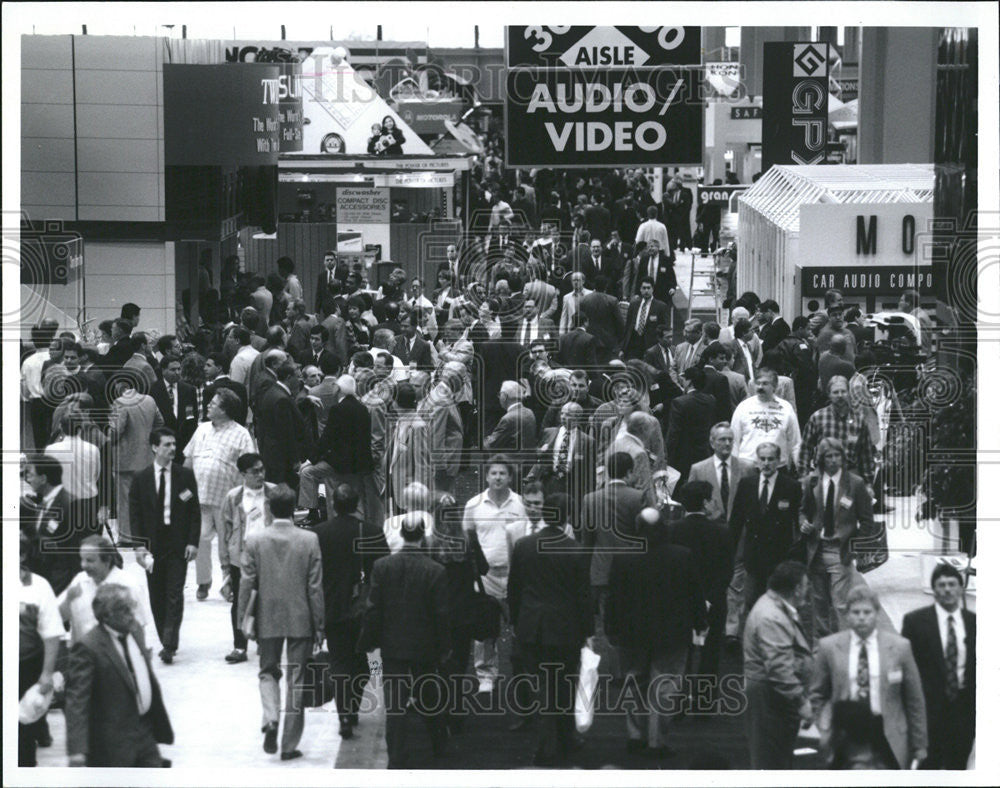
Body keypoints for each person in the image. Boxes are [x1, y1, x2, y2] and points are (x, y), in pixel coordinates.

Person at [606, 507, 705, 757]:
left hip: (632, 633)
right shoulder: (683, 555)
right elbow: (695, 594)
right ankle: (656, 739)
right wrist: (700, 622)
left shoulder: (623, 558)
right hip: (672, 633)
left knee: (634, 681)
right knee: (666, 684)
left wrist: (611, 628)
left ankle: (635, 734)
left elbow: (614, 598)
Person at [236, 483, 323, 760]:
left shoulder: (255, 541)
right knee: (297, 680)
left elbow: (247, 583)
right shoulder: (309, 540)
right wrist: (320, 625)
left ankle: (271, 717)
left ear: (269, 508)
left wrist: (243, 620)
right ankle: (288, 745)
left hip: (267, 615)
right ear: (294, 508)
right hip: (301, 617)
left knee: (267, 671)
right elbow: (315, 588)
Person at [357, 512, 451, 769]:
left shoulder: (383, 567)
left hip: (393, 644)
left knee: (395, 705)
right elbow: (441, 614)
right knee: (429, 694)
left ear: (402, 535)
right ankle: (438, 741)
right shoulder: (436, 571)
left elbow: (373, 608)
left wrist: (368, 641)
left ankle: (397, 758)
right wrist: (444, 647)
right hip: (425, 645)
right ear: (422, 536)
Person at [508, 493, 592, 767]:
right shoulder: (576, 550)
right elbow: (583, 596)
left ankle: (548, 743)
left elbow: (515, 589)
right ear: (566, 516)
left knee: (544, 686)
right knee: (566, 684)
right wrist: (588, 631)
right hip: (566, 627)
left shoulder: (523, 546)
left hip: (533, 625)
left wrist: (517, 621)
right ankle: (564, 738)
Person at [810, 586, 928, 769]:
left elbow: (914, 699)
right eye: (856, 612)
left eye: (867, 612)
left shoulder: (900, 647)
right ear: (847, 615)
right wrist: (824, 727)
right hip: (845, 734)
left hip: (888, 733)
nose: (862, 617)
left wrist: (920, 744)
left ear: (877, 614)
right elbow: (817, 694)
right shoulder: (829, 647)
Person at [309, 483, 390, 739]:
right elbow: (382, 572)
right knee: (362, 666)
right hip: (364, 610)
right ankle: (351, 707)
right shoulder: (372, 532)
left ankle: (345, 714)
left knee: (340, 661)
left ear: (333, 504)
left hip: (332, 607)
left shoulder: (319, 533)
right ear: (358, 504)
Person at [64, 583, 174, 767]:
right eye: (125, 610)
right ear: (107, 615)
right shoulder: (88, 647)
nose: (132, 614)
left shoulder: (134, 630)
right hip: (111, 744)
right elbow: (77, 701)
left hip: (144, 733)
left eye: (132, 607)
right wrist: (77, 750)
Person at [129, 428, 201, 664]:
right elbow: (135, 516)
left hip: (177, 543)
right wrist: (139, 547)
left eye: (174, 444)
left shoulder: (185, 476)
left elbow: (194, 512)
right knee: (157, 595)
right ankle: (164, 637)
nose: (172, 449)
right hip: (153, 545)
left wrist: (192, 542)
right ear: (154, 447)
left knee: (174, 594)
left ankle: (169, 644)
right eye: (167, 444)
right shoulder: (141, 479)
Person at [462, 455, 527, 694]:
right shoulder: (473, 505)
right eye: (493, 473)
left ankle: (522, 675)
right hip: (485, 578)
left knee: (520, 626)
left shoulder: (521, 504)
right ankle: (485, 674)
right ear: (486, 476)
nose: (498, 477)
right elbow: (468, 540)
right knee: (484, 630)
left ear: (510, 477)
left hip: (515, 576)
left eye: (503, 473)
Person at [900, 563, 976, 769]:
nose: (947, 589)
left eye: (952, 584)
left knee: (958, 765)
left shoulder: (975, 623)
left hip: (964, 711)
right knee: (928, 766)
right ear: (933, 591)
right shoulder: (915, 622)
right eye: (941, 585)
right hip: (928, 709)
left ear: (961, 589)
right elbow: (905, 668)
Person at [183, 388, 255, 602]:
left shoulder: (241, 434)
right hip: (200, 498)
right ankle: (203, 581)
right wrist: (184, 493)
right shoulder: (201, 429)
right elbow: (187, 462)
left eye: (213, 404)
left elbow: (249, 466)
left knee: (228, 544)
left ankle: (229, 582)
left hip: (227, 500)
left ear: (224, 410)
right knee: (201, 540)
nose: (208, 407)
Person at [799, 437, 874, 640]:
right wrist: (803, 522)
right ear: (821, 459)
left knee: (841, 602)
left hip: (840, 550)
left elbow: (867, 520)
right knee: (818, 602)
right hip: (816, 548)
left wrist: (856, 548)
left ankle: (846, 644)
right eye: (828, 456)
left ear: (843, 457)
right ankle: (822, 645)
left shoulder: (855, 484)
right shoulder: (811, 481)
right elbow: (803, 510)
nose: (833, 460)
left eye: (837, 455)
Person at [743, 560, 814, 769]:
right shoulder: (771, 617)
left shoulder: (774, 607)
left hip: (773, 696)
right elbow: (779, 669)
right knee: (771, 760)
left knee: (776, 756)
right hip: (769, 697)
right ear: (797, 588)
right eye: (806, 585)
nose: (808, 590)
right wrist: (802, 703)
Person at [669, 481, 735, 693]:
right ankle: (704, 703)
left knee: (681, 654)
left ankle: (679, 699)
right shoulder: (722, 532)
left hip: (680, 601)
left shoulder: (672, 531)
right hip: (713, 601)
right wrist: (708, 599)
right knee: (710, 653)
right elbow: (726, 571)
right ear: (706, 503)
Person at [729, 442, 802, 617]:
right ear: (757, 461)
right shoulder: (747, 485)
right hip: (753, 557)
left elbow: (797, 522)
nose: (766, 463)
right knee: (752, 603)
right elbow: (736, 521)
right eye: (763, 459)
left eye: (771, 459)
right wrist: (731, 550)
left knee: (779, 604)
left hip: (779, 556)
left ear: (778, 461)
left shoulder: (791, 486)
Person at [218, 453, 274, 664]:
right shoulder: (233, 497)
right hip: (240, 557)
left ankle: (265, 641)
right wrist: (225, 566)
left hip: (269, 555)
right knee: (240, 602)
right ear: (243, 474)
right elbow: (225, 533)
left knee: (267, 600)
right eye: (255, 471)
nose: (260, 474)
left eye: (262, 469)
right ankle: (239, 646)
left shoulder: (274, 492)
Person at [58, 535, 152, 646]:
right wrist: (68, 600)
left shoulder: (128, 584)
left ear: (106, 561)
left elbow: (138, 627)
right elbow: (56, 617)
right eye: (82, 559)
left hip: (116, 658)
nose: (83, 565)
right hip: (83, 657)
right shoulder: (80, 580)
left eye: (90, 561)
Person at [18, 532, 62, 767]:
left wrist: (46, 673)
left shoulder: (38, 587)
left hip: (26, 669)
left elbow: (52, 634)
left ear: (23, 555)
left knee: (23, 732)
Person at [108, 381, 164, 538]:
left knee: (126, 499)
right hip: (148, 456)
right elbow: (160, 422)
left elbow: (115, 431)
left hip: (126, 459)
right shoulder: (150, 400)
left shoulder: (120, 402)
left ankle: (127, 536)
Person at [21, 453, 81, 596]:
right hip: (43, 581)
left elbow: (74, 553)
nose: (27, 479)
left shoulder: (70, 504)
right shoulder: (45, 501)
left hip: (59, 585)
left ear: (43, 479)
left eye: (31, 474)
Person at [800, 376, 877, 485]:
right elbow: (805, 449)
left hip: (850, 476)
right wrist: (804, 477)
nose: (840, 395)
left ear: (849, 393)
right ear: (829, 394)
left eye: (843, 391)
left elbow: (866, 455)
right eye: (835, 392)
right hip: (822, 476)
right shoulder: (817, 418)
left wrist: (868, 483)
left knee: (846, 502)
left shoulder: (859, 421)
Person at [731, 367, 801, 471]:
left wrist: (801, 469)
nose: (760, 387)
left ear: (775, 386)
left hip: (778, 467)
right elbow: (734, 440)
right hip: (748, 467)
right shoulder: (744, 407)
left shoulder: (786, 408)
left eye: (765, 384)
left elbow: (795, 442)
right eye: (758, 383)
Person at [256, 359, 311, 488]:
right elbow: (286, 432)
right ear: (288, 377)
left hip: (271, 452)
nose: (300, 381)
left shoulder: (273, 391)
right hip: (280, 457)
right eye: (298, 377)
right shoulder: (281, 399)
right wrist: (294, 459)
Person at [665, 365, 717, 480]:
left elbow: (674, 433)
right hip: (705, 453)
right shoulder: (711, 400)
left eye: (684, 380)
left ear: (689, 382)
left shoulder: (679, 402)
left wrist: (667, 457)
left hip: (684, 457)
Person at [622, 277, 670, 360]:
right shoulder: (633, 305)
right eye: (644, 288)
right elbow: (628, 326)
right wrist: (623, 347)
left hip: (650, 346)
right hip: (633, 343)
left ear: (653, 289)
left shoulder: (661, 306)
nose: (646, 291)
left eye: (648, 288)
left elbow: (665, 328)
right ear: (640, 289)